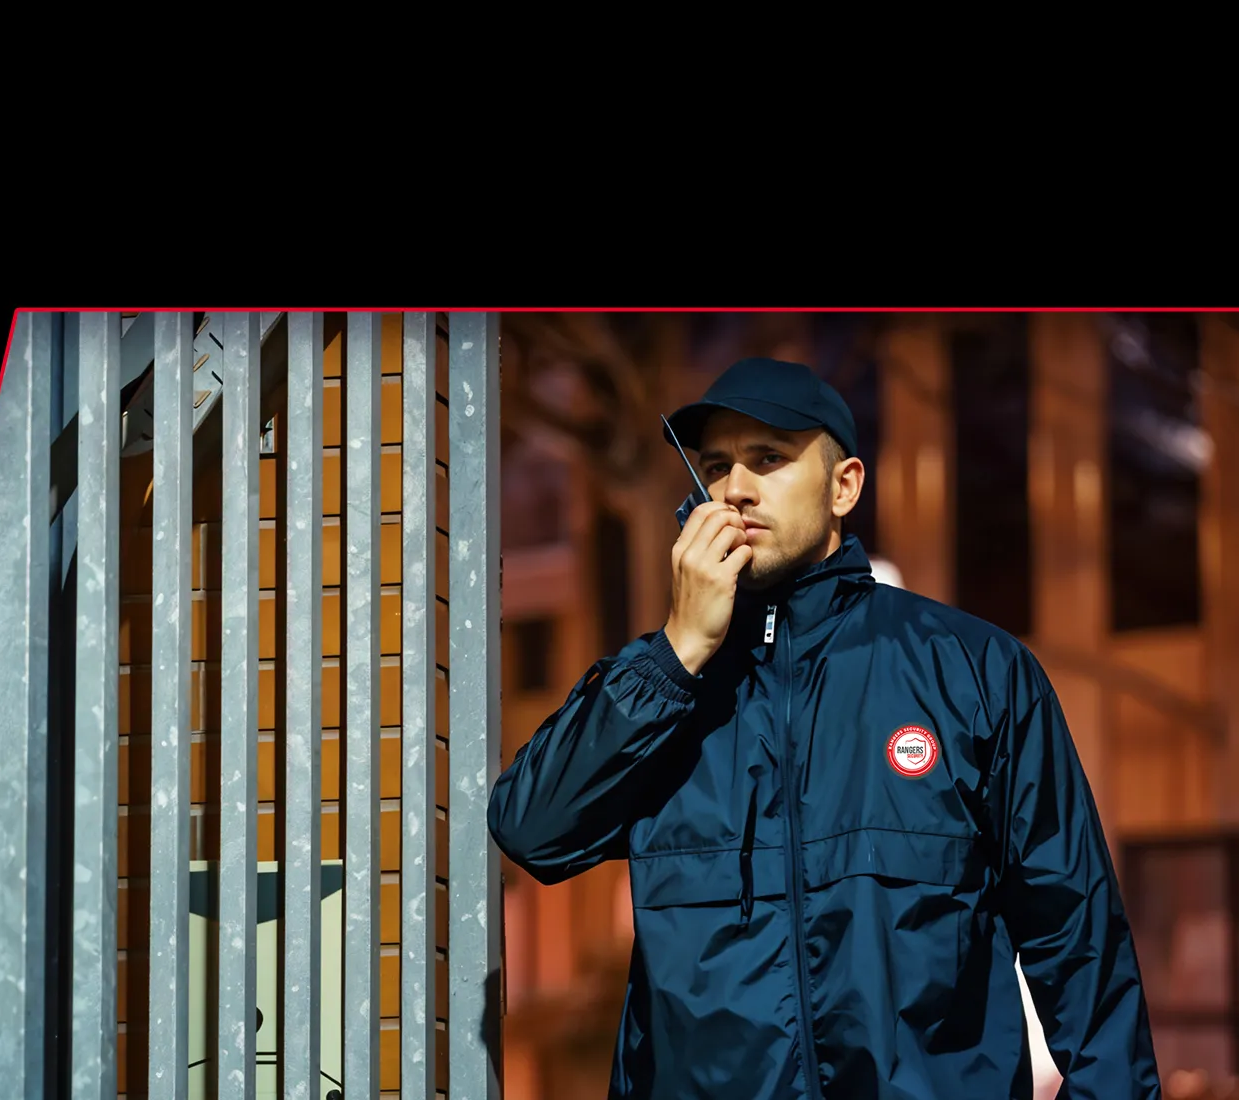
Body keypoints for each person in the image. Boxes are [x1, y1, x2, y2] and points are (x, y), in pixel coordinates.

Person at [488, 356, 1162, 1099]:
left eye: (768, 458)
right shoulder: (663, 691)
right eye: (715, 467)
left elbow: (1079, 941)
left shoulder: (974, 672)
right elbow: (531, 829)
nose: (735, 488)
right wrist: (677, 654)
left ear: (843, 486)